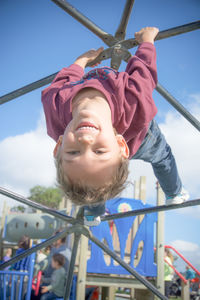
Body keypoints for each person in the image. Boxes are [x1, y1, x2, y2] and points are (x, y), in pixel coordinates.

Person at [42, 27, 189, 225]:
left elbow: (62, 81)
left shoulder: (56, 108)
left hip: (120, 132)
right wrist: (146, 42)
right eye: (99, 151)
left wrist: (81, 61)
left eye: (74, 152)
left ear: (59, 146)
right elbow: (143, 71)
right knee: (162, 157)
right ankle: (175, 192)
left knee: (91, 184)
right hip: (142, 137)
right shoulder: (133, 101)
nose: (85, 141)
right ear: (121, 147)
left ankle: (92, 213)